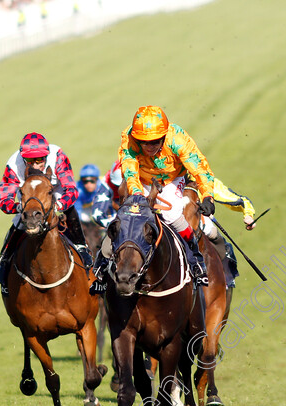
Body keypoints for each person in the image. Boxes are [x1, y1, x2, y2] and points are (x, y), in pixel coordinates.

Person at [90, 105, 217, 294]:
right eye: (144, 142)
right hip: (141, 179)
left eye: (155, 141)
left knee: (170, 212)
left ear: (164, 136)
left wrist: (208, 196)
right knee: (128, 215)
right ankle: (103, 259)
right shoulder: (129, 137)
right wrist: (138, 197)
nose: (149, 147)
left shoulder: (178, 139)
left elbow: (200, 168)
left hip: (172, 178)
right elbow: (130, 169)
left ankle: (194, 257)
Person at [0, 132, 92, 294]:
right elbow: (4, 201)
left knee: (71, 211)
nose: (36, 165)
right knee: (17, 226)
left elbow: (71, 189)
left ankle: (84, 252)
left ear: (47, 155)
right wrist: (19, 208)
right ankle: (4, 263)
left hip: (56, 196)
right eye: (30, 161)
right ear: (23, 158)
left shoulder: (58, 156)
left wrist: (59, 205)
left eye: (40, 160)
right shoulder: (13, 165)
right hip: (29, 204)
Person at [91, 160, 121, 228]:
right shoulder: (108, 181)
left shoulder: (145, 178)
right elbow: (97, 214)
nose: (120, 189)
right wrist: (112, 225)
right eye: (118, 186)